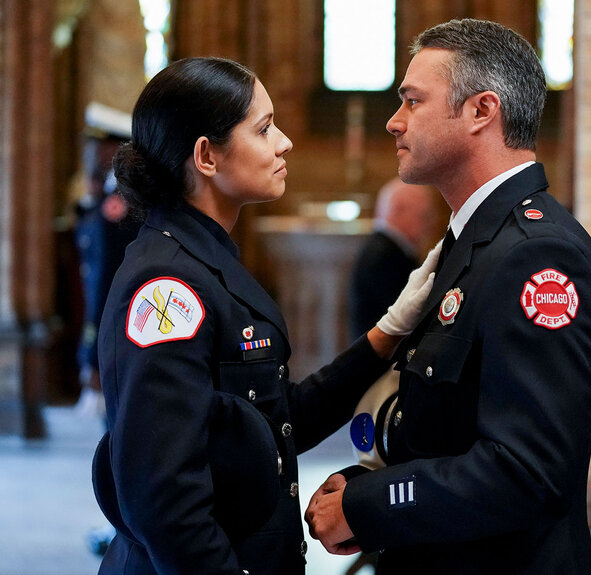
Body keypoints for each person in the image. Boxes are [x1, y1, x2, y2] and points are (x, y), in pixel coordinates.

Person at [91, 57, 440, 575]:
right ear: (206, 156)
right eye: (263, 128)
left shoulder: (202, 260)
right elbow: (163, 500)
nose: (284, 143)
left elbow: (277, 420)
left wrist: (387, 333)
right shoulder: (167, 287)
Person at [304, 19, 591, 575]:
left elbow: (528, 472)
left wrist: (371, 504)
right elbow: (452, 427)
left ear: (481, 111)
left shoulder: (536, 256)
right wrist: (365, 485)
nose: (393, 122)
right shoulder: (474, 242)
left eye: (412, 101)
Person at [73, 102, 141, 421]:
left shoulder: (116, 207)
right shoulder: (113, 199)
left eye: (96, 146)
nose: (90, 155)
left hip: (115, 336)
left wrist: (93, 358)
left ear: (114, 150)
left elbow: (105, 282)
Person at [348, 177, 437, 341]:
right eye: (424, 215)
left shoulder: (386, 248)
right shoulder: (385, 256)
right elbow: (407, 315)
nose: (430, 224)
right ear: (399, 210)